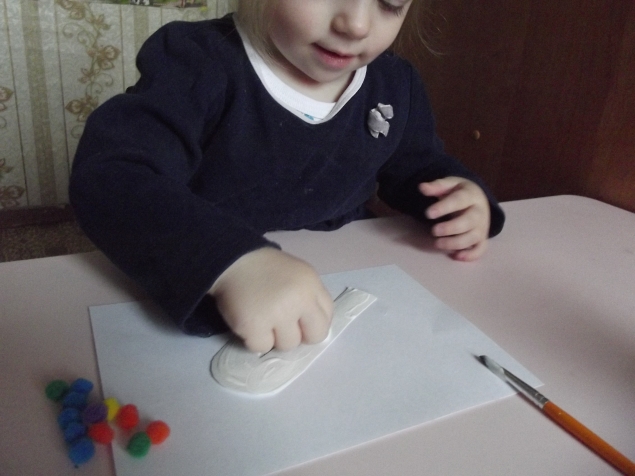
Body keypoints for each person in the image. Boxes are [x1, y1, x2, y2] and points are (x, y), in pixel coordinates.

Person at [69, 0, 505, 354]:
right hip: (211, 296)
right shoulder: (196, 61)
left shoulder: (395, 84)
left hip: (348, 292)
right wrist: (231, 264)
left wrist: (460, 199)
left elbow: (417, 166)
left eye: (390, 2)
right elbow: (110, 174)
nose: (356, 24)